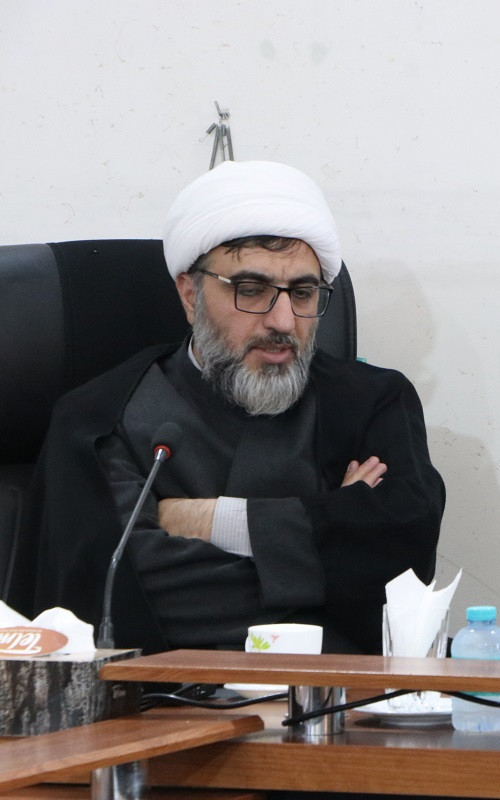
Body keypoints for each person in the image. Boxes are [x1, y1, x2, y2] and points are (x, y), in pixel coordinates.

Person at [24, 160, 445, 654]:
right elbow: (130, 591)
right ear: (190, 295)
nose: (283, 321)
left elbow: (405, 566)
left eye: (303, 293)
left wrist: (210, 521)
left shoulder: (373, 402)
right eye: (252, 290)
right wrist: (334, 535)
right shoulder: (97, 420)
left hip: (335, 695)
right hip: (165, 695)